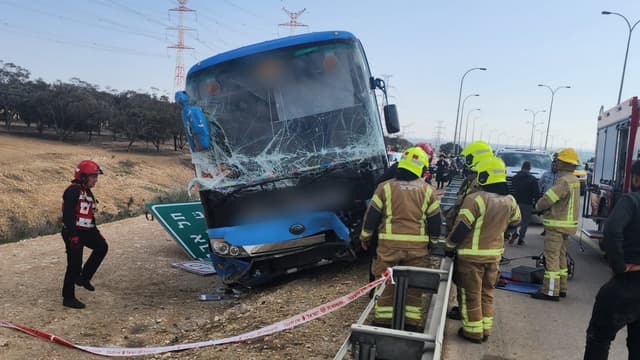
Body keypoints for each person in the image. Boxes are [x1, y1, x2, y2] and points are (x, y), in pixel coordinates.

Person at [359, 146, 442, 330]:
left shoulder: (385, 187)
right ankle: (412, 324)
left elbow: (371, 216)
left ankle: (382, 322)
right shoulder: (427, 190)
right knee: (414, 287)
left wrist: (365, 237)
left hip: (388, 247)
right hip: (417, 250)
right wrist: (434, 243)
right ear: (421, 167)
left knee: (386, 285)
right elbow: (435, 221)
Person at [445, 156, 521, 343]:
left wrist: (449, 246)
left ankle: (472, 332)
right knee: (487, 293)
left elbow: (461, 227)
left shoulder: (475, 199)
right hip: (494, 256)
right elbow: (516, 221)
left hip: (471, 257)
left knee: (470, 294)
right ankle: (485, 329)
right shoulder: (510, 200)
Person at [584, 160, 640, 359]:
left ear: (635, 178)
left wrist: (619, 267)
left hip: (628, 281)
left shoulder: (631, 201)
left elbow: (612, 230)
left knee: (599, 337)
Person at [444, 140, 494, 321]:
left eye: (469, 158)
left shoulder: (479, 185)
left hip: (471, 244)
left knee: (470, 288)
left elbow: (465, 217)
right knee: (481, 289)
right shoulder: (476, 180)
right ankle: (480, 322)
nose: (466, 162)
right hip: (482, 245)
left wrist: (451, 242)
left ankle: (472, 324)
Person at [531, 148, 580, 301]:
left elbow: (548, 198)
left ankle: (550, 291)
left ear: (563, 163)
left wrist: (537, 207)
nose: (556, 163)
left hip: (556, 226)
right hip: (567, 226)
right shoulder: (574, 180)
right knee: (561, 257)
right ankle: (562, 288)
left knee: (551, 257)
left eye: (558, 160)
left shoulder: (563, 181)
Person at [60, 160, 109, 309]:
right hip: (73, 231)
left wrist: (96, 231)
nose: (95, 180)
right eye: (93, 176)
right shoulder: (73, 190)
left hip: (87, 230)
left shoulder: (87, 191)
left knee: (102, 247)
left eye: (96, 176)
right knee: (74, 264)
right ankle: (68, 297)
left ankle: (84, 278)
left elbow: (89, 214)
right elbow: (68, 214)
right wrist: (73, 235)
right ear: (82, 176)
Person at [509, 161, 540, 246]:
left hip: (516, 202)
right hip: (527, 203)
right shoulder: (533, 179)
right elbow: (536, 193)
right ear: (529, 168)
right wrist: (538, 204)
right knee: (525, 222)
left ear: (522, 167)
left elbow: (511, 189)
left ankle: (514, 233)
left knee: (514, 219)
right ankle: (521, 238)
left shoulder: (515, 178)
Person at [538, 156, 559, 236]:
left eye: (556, 166)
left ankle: (552, 230)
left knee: (554, 215)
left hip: (557, 199)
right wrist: (540, 194)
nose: (554, 167)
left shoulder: (560, 176)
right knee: (546, 215)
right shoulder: (546, 174)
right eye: (553, 165)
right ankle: (545, 229)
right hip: (547, 198)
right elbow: (540, 183)